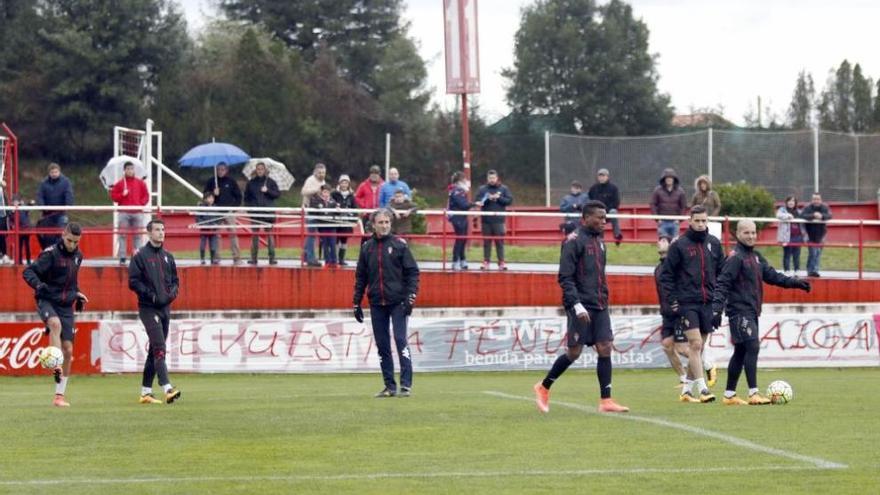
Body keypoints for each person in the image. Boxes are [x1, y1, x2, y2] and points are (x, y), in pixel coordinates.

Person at [533, 200, 630, 414]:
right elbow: (565, 277)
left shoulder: (600, 241)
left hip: (599, 303)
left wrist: (604, 296)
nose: (604, 222)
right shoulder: (572, 241)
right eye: (600, 218)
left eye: (606, 218)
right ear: (586, 218)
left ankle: (606, 400)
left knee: (605, 347)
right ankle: (544, 386)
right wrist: (576, 304)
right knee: (574, 352)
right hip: (580, 304)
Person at [713, 220, 811, 405]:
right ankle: (753, 393)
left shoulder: (756, 257)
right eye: (746, 233)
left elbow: (773, 276)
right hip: (739, 311)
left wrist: (795, 282)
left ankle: (729, 395)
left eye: (753, 232)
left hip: (751, 311)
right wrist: (716, 309)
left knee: (741, 351)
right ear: (738, 234)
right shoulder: (735, 257)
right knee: (752, 346)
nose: (751, 236)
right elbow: (722, 283)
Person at [353, 208, 420, 397]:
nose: (384, 226)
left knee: (400, 340)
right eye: (380, 222)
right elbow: (361, 277)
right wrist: (356, 302)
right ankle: (389, 386)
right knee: (382, 345)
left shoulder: (399, 245)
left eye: (387, 222)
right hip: (376, 303)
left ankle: (406, 384)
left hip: (398, 301)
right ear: (373, 225)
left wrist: (410, 297)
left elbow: (413, 272)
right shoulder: (366, 247)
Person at [659, 205, 722, 403]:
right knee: (695, 344)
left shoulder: (714, 243)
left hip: (708, 302)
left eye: (704, 221)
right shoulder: (679, 245)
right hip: (687, 302)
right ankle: (703, 390)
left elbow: (722, 273)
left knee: (699, 348)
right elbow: (666, 275)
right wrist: (673, 301)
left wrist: (720, 301)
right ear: (690, 221)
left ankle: (686, 390)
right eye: (698, 221)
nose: (701, 224)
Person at [22, 222, 88, 407]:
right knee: (55, 324)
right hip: (47, 300)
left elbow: (71, 283)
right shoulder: (50, 254)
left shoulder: (78, 256)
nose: (72, 245)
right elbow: (28, 272)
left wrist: (78, 295)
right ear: (63, 234)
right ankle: (53, 361)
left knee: (68, 350)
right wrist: (39, 285)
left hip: (66, 306)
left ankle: (59, 396)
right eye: (69, 240)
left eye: (76, 242)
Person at [128, 219, 182, 405]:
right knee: (160, 347)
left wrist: (171, 294)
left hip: (165, 308)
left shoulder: (168, 256)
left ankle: (145, 393)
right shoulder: (140, 256)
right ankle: (167, 387)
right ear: (149, 233)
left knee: (154, 350)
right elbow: (133, 282)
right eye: (157, 230)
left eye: (163, 229)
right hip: (148, 308)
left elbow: (175, 281)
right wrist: (150, 295)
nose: (161, 232)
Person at [654, 236, 690, 386]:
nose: (659, 242)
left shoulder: (675, 265)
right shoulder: (658, 268)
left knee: (682, 349)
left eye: (663, 240)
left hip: (678, 312)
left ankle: (707, 365)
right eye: (659, 240)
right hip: (667, 314)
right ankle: (683, 377)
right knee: (667, 346)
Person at [109, 160, 150, 265]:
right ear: (124, 170)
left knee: (138, 235)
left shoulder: (140, 183)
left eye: (132, 168)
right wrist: (122, 195)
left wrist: (141, 204)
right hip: (124, 212)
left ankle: (137, 256)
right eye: (128, 169)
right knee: (122, 234)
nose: (130, 171)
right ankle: (122, 256)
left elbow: (146, 195)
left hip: (137, 212)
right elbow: (113, 197)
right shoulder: (120, 184)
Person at [203, 163, 243, 264]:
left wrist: (233, 209)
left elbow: (238, 196)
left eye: (223, 169)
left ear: (226, 170)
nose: (220, 171)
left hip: (229, 211)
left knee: (233, 234)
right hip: (216, 211)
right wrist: (213, 193)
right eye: (219, 169)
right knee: (216, 235)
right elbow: (205, 196)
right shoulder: (211, 181)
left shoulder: (231, 181)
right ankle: (216, 257)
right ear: (216, 170)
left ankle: (237, 257)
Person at [244, 161, 280, 265]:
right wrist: (249, 209)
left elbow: (277, 194)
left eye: (262, 169)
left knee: (269, 235)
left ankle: (272, 258)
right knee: (255, 235)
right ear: (256, 170)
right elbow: (246, 198)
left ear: (265, 170)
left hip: (268, 212)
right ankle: (254, 258)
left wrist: (267, 190)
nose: (260, 171)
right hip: (255, 212)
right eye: (258, 169)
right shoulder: (251, 183)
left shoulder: (271, 182)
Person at [476, 169, 513, 270]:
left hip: (499, 220)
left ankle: (501, 262)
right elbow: (478, 201)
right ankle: (486, 261)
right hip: (486, 220)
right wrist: (487, 198)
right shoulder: (482, 189)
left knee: (499, 242)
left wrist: (498, 198)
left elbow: (509, 201)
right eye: (490, 178)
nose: (492, 180)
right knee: (486, 242)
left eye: (493, 178)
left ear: (497, 178)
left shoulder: (504, 188)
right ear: (487, 179)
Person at [36, 162, 74, 245]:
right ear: (49, 173)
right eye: (52, 172)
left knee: (61, 233)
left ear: (59, 172)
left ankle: (60, 252)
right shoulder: (43, 183)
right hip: (47, 214)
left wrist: (68, 205)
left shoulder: (66, 182)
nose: (54, 174)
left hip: (61, 213)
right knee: (47, 236)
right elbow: (39, 196)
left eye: (56, 172)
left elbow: (69, 194)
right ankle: (49, 252)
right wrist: (42, 207)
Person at [301, 163, 327, 267]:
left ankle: (306, 255)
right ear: (315, 172)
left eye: (324, 172)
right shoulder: (310, 180)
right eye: (320, 172)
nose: (322, 174)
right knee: (311, 234)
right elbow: (303, 192)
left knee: (312, 234)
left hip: (318, 210)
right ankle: (311, 258)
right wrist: (316, 190)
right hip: (310, 209)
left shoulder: (323, 182)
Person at [800, 193, 832, 278]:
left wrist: (821, 216)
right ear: (812, 200)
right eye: (814, 199)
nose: (816, 201)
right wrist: (813, 215)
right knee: (812, 253)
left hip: (821, 235)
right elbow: (802, 215)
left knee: (818, 254)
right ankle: (810, 271)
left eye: (818, 199)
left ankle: (816, 270)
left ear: (821, 200)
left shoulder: (825, 207)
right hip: (810, 235)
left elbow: (829, 215)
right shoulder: (807, 207)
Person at [650, 167, 687, 240]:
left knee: (674, 244)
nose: (669, 179)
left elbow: (684, 206)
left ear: (674, 179)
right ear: (664, 179)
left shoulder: (681, 192)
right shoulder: (657, 191)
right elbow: (652, 204)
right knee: (663, 244)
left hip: (675, 222)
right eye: (667, 178)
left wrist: (679, 220)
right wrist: (657, 219)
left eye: (671, 178)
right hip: (662, 222)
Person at [588, 168, 623, 245]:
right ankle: (600, 239)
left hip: (608, 212)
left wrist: (605, 210)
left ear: (608, 177)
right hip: (596, 212)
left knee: (613, 212)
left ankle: (617, 235)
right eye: (600, 176)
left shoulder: (614, 188)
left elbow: (616, 203)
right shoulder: (593, 188)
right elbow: (590, 200)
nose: (601, 178)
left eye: (603, 176)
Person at [447, 171, 472, 270]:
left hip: (463, 216)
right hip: (457, 217)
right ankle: (455, 261)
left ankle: (462, 259)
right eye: (464, 180)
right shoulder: (456, 191)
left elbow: (465, 204)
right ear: (459, 181)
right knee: (459, 239)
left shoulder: (461, 191)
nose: (466, 181)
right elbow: (463, 205)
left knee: (463, 239)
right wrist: (474, 204)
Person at [331, 174, 357, 265]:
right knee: (336, 240)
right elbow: (331, 203)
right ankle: (335, 258)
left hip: (346, 221)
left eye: (346, 182)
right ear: (339, 183)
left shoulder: (351, 195)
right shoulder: (334, 194)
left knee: (344, 240)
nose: (344, 184)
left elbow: (355, 208)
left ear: (348, 184)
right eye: (343, 182)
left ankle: (341, 259)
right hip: (336, 221)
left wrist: (354, 219)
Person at [310, 184, 338, 267]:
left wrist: (338, 210)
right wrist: (318, 207)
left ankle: (334, 261)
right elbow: (313, 208)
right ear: (321, 192)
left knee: (333, 244)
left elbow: (337, 212)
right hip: (322, 225)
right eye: (324, 192)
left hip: (332, 225)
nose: (326, 194)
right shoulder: (317, 200)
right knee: (325, 244)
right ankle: (327, 261)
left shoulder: (333, 201)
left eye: (327, 192)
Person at [776, 196, 804, 276]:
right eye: (789, 201)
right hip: (787, 237)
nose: (791, 202)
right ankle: (787, 270)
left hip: (798, 236)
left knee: (797, 254)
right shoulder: (782, 210)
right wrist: (788, 216)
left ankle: (797, 270)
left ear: (795, 203)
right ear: (786, 202)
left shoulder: (799, 211)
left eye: (793, 201)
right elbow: (778, 215)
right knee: (787, 254)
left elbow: (804, 218)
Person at [354, 165, 384, 240]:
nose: (374, 175)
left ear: (379, 174)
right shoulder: (363, 185)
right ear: (370, 174)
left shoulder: (384, 185)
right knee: (366, 237)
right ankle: (364, 251)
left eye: (376, 173)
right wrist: (364, 207)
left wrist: (383, 207)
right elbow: (357, 197)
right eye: (372, 173)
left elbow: (388, 198)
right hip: (367, 215)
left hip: (379, 214)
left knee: (379, 236)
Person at [195, 192, 220, 265]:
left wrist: (216, 225)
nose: (211, 199)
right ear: (205, 199)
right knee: (203, 245)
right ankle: (202, 259)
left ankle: (212, 259)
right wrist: (204, 224)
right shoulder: (201, 207)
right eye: (209, 198)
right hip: (204, 229)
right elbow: (198, 218)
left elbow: (218, 218)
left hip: (213, 230)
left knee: (213, 246)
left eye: (212, 198)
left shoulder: (215, 207)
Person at [10, 194, 32, 265]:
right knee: (19, 246)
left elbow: (28, 208)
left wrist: (30, 203)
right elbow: (11, 220)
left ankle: (28, 260)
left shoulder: (23, 208)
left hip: (26, 229)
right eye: (14, 202)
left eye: (16, 201)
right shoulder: (12, 211)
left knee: (27, 245)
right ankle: (19, 261)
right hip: (19, 231)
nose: (15, 203)